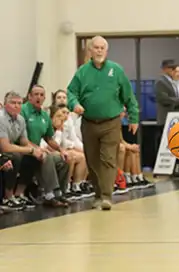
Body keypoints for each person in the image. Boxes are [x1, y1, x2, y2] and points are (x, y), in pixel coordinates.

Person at [67, 35, 139, 211]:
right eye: (96, 48)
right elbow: (71, 92)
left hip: (111, 122)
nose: (99, 51)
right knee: (92, 161)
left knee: (108, 158)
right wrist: (74, 104)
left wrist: (133, 117)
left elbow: (128, 96)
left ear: (106, 51)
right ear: (90, 51)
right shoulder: (82, 72)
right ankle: (98, 194)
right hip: (89, 122)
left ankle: (107, 196)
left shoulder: (116, 70)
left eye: (102, 48)